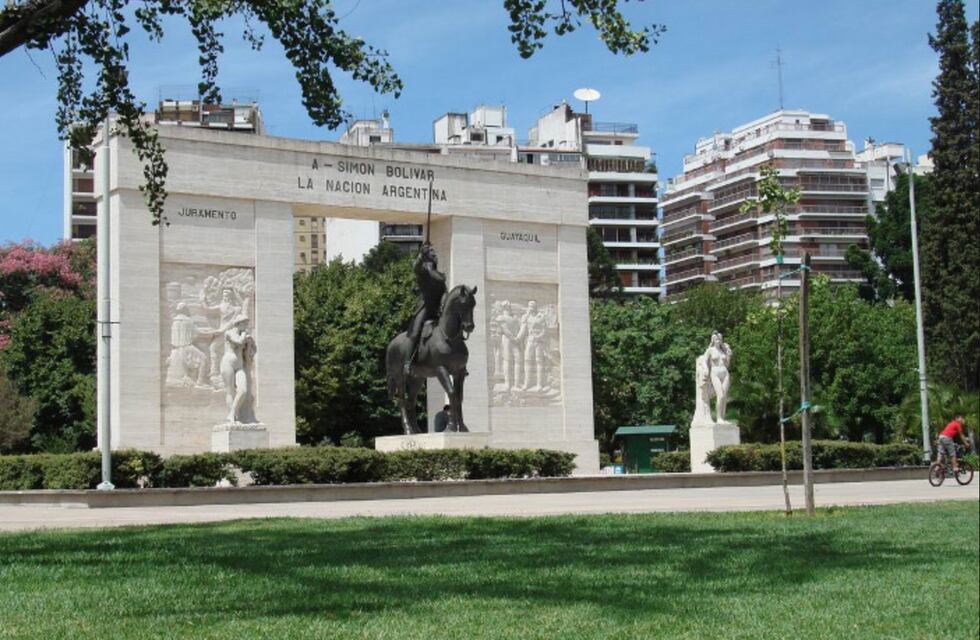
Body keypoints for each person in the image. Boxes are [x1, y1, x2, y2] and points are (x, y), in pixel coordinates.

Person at [404, 243, 447, 375]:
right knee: (416, 332)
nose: (436, 257)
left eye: (435, 256)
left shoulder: (440, 276)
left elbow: (444, 291)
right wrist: (421, 256)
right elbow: (416, 267)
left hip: (437, 309)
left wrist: (444, 302)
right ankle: (407, 363)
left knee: (452, 327)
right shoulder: (423, 272)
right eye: (432, 255)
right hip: (425, 308)